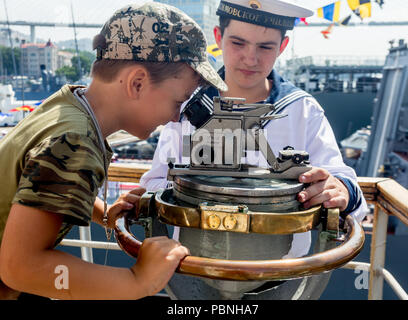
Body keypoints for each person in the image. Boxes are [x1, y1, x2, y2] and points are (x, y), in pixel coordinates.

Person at [140, 0, 369, 299]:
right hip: (195, 272)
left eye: (265, 47)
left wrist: (340, 189)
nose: (250, 57)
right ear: (218, 38)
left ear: (283, 46)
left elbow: (351, 192)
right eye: (238, 42)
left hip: (280, 277)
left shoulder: (302, 111)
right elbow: (157, 180)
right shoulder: (186, 108)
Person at [0, 2, 227, 300]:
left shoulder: (68, 105)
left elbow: (42, 181)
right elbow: (20, 268)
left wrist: (104, 213)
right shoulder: (76, 141)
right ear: (136, 83)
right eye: (178, 101)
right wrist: (137, 281)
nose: (176, 117)